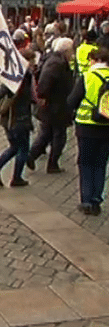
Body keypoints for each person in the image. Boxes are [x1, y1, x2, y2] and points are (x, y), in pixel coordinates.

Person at [0, 49, 36, 187]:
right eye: (32, 60)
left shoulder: (14, 73)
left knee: (14, 147)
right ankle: (16, 178)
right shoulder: (23, 76)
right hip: (19, 118)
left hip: (9, 119)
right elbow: (3, 90)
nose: (34, 63)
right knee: (23, 149)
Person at [67, 47, 109, 215]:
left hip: (86, 127)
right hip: (107, 127)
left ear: (95, 60)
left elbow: (72, 101)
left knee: (85, 163)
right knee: (101, 164)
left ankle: (86, 201)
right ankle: (97, 200)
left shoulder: (87, 77)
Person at [27, 38, 74, 174]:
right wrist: (42, 96)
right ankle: (52, 163)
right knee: (59, 135)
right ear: (66, 51)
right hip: (55, 105)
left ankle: (32, 156)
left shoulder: (55, 60)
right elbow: (45, 80)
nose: (72, 53)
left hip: (55, 105)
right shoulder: (56, 63)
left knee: (46, 133)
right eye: (71, 50)